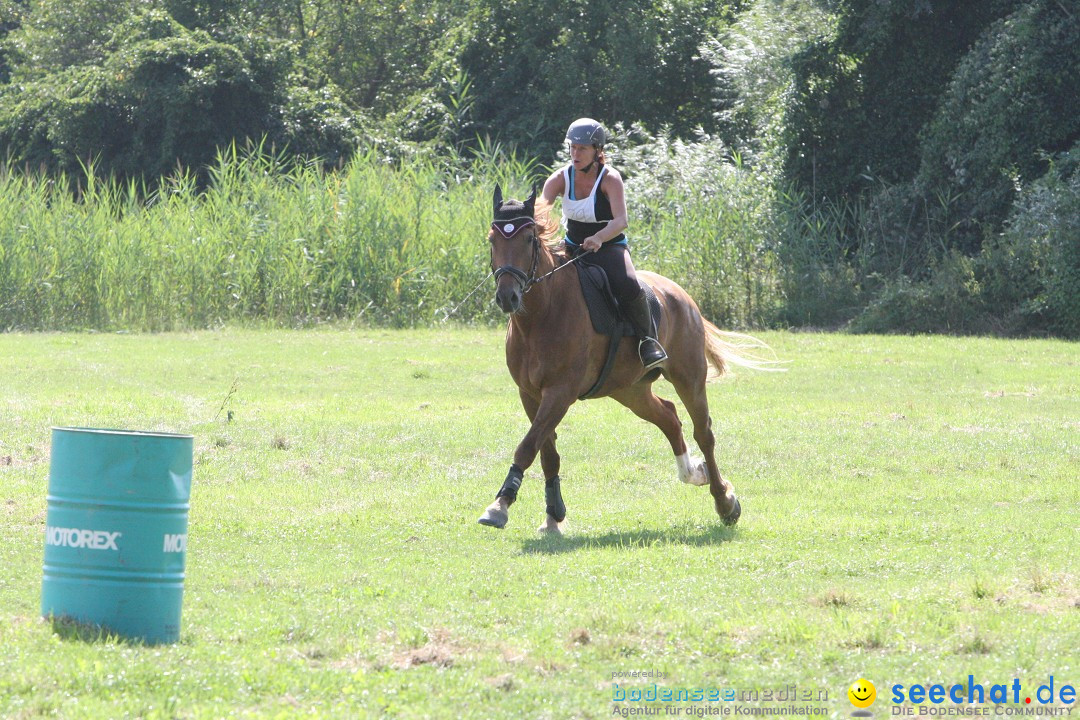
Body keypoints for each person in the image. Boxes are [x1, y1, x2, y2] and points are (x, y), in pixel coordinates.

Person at [541, 117, 667, 369]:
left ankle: (648, 341)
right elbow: (541, 211)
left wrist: (599, 237)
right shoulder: (559, 178)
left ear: (597, 151)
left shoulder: (610, 179)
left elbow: (621, 220)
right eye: (572, 147)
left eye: (582, 148)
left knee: (628, 283)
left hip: (610, 246)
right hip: (572, 247)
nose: (575, 154)